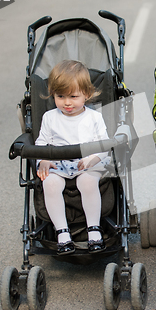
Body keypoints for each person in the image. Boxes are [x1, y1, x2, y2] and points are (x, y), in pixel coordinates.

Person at [35, 60, 110, 255]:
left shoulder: (94, 118)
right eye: (60, 96)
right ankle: (62, 232)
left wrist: (93, 159)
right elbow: (41, 142)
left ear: (87, 94)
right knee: (49, 184)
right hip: (59, 164)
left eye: (73, 97)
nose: (67, 103)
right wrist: (42, 160)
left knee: (87, 182)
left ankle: (93, 229)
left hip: (87, 163)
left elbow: (104, 144)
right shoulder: (50, 117)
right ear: (53, 95)